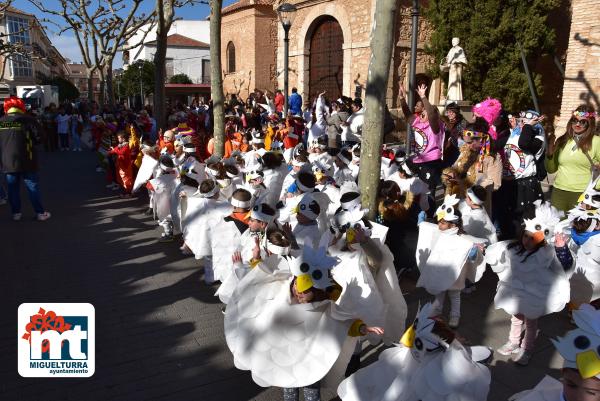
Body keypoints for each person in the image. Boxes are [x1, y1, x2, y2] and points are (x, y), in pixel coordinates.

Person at [486, 201, 570, 366]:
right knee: (515, 317)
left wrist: (561, 249)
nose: (527, 241)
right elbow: (500, 256)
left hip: (534, 292)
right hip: (515, 289)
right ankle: (513, 342)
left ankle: (527, 348)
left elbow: (563, 267)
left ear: (540, 240)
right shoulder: (515, 248)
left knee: (531, 323)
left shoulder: (546, 254)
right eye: (525, 236)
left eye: (532, 239)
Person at [416, 194, 485, 328]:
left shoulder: (462, 239)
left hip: (455, 274)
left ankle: (455, 315)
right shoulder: (439, 231)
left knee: (455, 295)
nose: (438, 224)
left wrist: (473, 254)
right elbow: (429, 230)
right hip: (441, 269)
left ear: (453, 224)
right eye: (439, 221)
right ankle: (437, 309)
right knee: (440, 291)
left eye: (442, 222)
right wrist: (421, 223)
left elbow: (471, 248)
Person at [0, 96, 51, 221]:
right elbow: (40, 138)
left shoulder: (1, 121)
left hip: (8, 161)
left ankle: (16, 213)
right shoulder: (28, 120)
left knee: (13, 188)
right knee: (32, 186)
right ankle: (40, 213)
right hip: (28, 159)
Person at [546, 105, 599, 212]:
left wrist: (594, 191)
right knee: (557, 227)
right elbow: (551, 170)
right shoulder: (563, 140)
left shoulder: (596, 141)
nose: (578, 124)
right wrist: (549, 154)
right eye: (575, 120)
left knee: (579, 228)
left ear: (590, 124)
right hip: (559, 192)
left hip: (583, 194)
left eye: (583, 122)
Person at [400, 83, 444, 201]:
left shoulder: (435, 126)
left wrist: (423, 97)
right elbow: (408, 115)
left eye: (424, 113)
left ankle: (429, 214)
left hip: (432, 162)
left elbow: (431, 114)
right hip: (419, 160)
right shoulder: (419, 124)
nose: (421, 115)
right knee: (417, 191)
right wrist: (402, 98)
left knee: (428, 192)